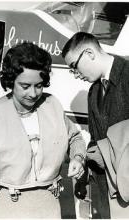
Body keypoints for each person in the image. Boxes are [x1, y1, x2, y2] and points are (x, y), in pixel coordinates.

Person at [0, 41, 86, 218]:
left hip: (48, 207)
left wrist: (78, 157)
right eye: (25, 86)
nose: (33, 93)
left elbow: (75, 138)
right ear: (11, 81)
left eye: (39, 86)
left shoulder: (52, 106)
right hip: (6, 208)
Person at [62, 32, 129, 218]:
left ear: (90, 53)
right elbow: (95, 139)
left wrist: (106, 150)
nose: (75, 75)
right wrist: (83, 164)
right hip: (107, 194)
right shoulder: (94, 92)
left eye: (74, 67)